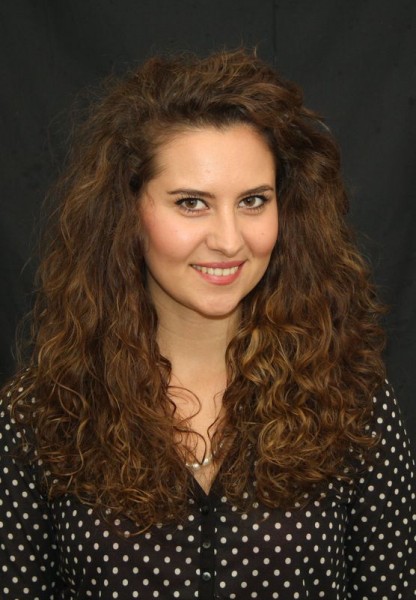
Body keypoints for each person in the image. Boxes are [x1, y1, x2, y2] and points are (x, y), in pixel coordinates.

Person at [0, 48, 415, 600]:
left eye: (253, 201)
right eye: (192, 203)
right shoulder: (38, 414)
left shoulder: (354, 399)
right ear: (127, 211)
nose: (228, 239)